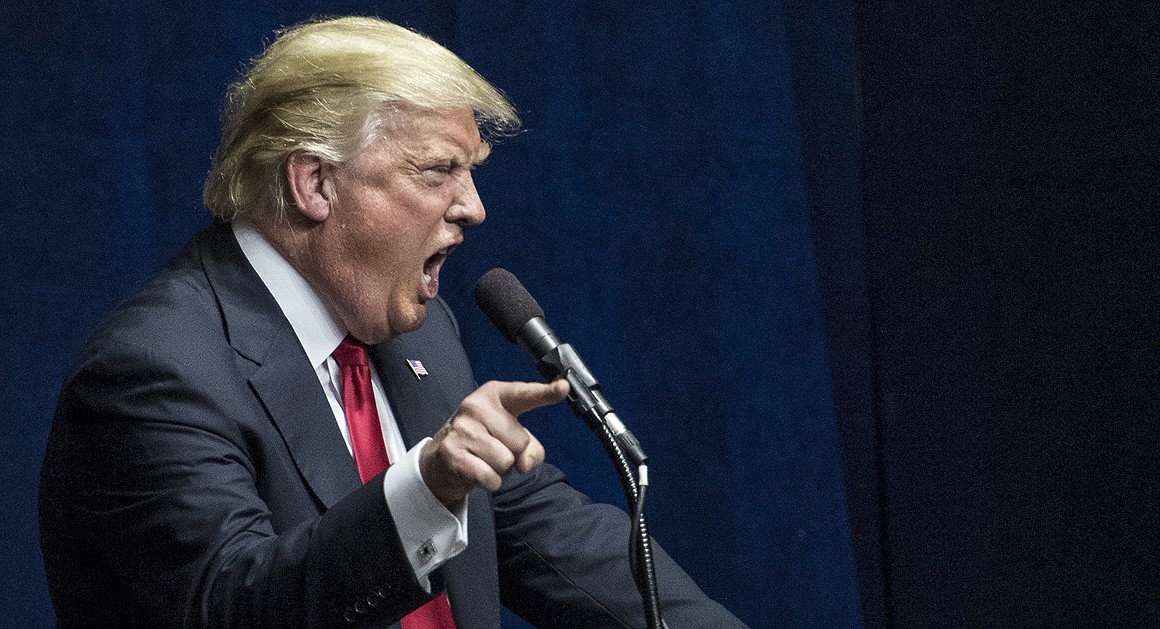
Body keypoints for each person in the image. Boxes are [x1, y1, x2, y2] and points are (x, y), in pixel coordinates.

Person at [38, 16, 745, 628]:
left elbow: (555, 541)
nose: (474, 208)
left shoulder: (419, 332)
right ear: (314, 182)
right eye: (438, 171)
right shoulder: (153, 371)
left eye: (471, 171)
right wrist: (424, 490)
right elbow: (233, 605)